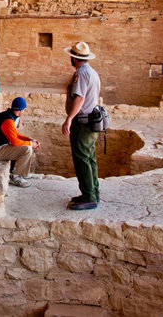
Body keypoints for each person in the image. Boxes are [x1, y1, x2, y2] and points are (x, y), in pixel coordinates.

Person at [61, 41, 102, 211]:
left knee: (82, 159)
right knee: (89, 158)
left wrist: (69, 118)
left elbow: (80, 98)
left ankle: (89, 197)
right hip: (92, 120)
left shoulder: (81, 74)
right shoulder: (92, 72)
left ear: (74, 58)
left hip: (83, 122)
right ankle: (93, 192)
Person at [0, 97, 40, 188]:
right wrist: (30, 144)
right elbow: (15, 142)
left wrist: (29, 139)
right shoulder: (8, 120)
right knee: (27, 149)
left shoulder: (8, 115)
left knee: (27, 145)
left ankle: (22, 174)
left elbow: (15, 134)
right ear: (21, 110)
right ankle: (16, 177)